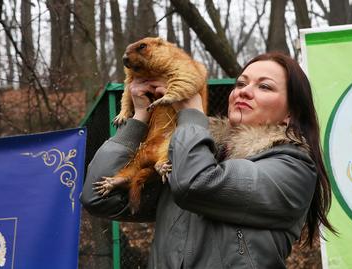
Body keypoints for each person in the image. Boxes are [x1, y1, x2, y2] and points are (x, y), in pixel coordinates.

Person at [80, 52, 336, 268]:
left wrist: (191, 113)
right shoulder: (193, 151)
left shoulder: (293, 166)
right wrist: (139, 117)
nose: (244, 92)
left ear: (290, 115)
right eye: (241, 84)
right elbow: (98, 197)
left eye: (264, 86)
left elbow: (197, 183)